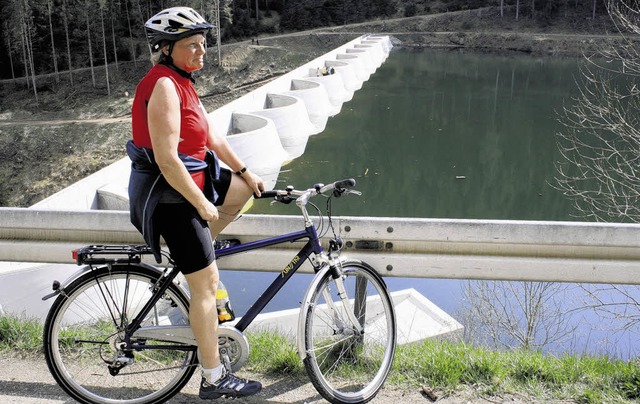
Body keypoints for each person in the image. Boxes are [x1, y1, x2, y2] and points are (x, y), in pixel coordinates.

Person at [126, 6, 264, 400]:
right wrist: (203, 205)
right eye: (193, 45)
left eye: (203, 44)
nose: (202, 51)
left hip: (187, 188)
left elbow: (213, 138)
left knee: (238, 189)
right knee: (207, 286)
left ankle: (199, 254)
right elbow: (167, 159)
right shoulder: (164, 86)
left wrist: (246, 171)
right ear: (166, 48)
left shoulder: (183, 82)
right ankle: (213, 376)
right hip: (171, 198)